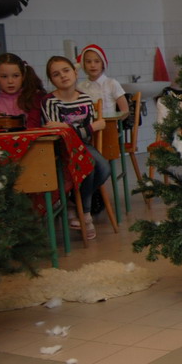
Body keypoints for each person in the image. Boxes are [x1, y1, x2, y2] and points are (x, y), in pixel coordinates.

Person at [41, 55, 111, 239]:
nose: (63, 76)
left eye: (66, 70)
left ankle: (73, 203)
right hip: (61, 149)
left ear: (75, 72)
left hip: (83, 145)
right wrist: (92, 127)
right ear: (52, 80)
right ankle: (85, 214)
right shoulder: (49, 101)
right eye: (56, 74)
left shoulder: (85, 99)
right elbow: (59, 134)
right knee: (89, 164)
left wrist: (68, 128)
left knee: (104, 167)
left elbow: (82, 135)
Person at [0, 53, 47, 128]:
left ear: (23, 76)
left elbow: (33, 126)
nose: (10, 81)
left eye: (16, 76)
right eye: (4, 76)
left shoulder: (34, 96)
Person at [77, 44, 129, 117]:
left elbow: (125, 111)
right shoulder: (80, 87)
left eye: (97, 61)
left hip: (110, 123)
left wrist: (115, 122)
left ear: (103, 64)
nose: (92, 65)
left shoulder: (112, 83)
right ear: (83, 65)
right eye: (88, 62)